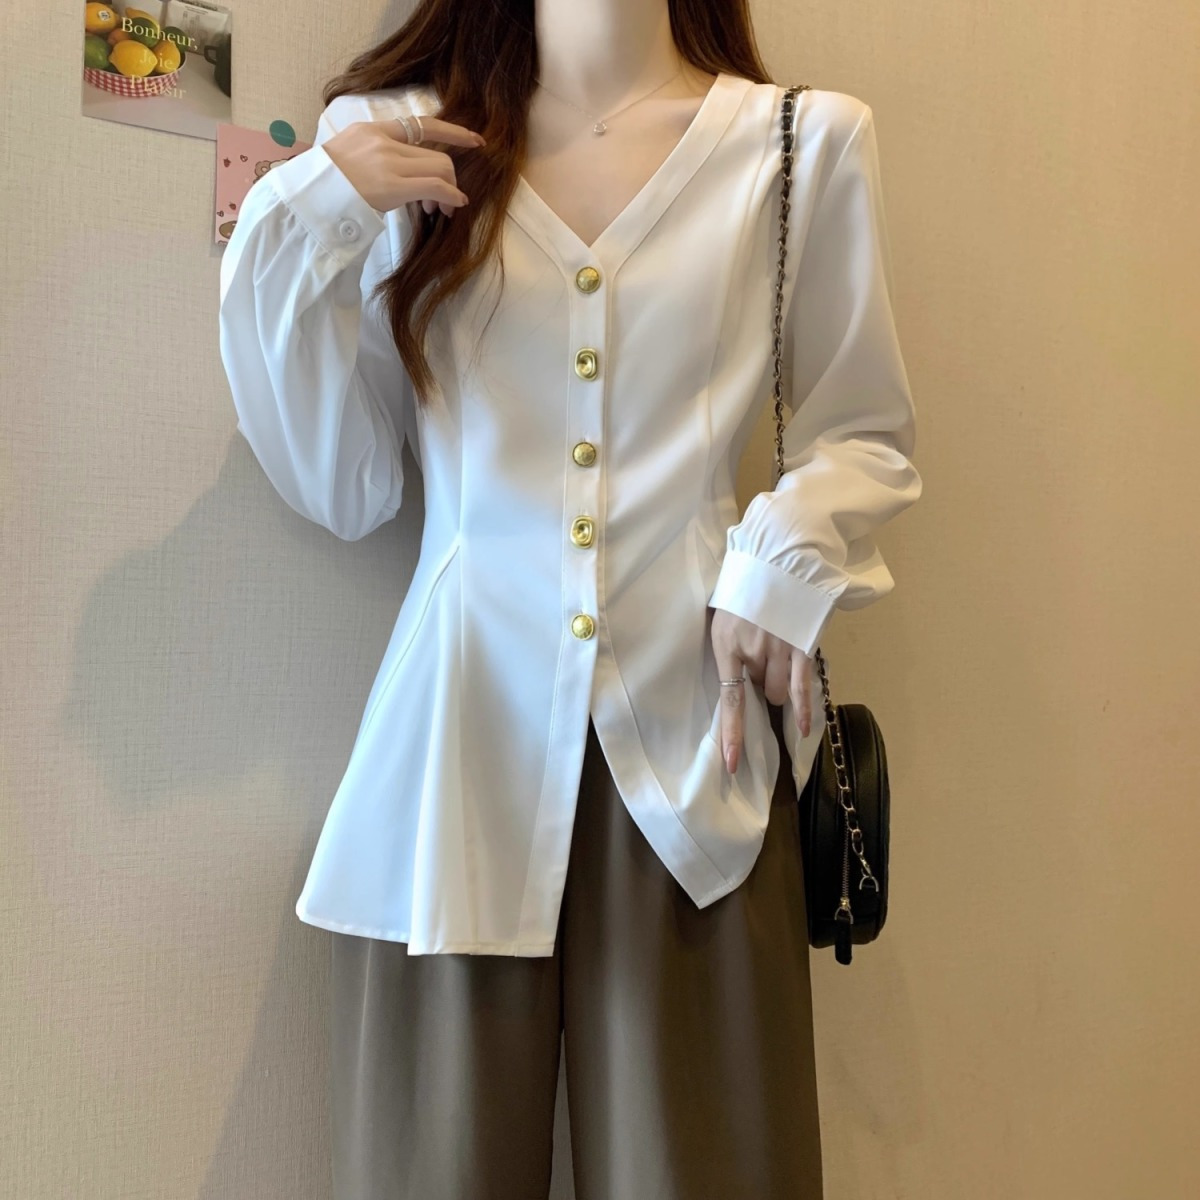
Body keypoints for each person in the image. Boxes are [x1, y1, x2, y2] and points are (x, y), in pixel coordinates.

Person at [218, 0, 922, 1195]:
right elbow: (344, 484)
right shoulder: (397, 137)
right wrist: (314, 211)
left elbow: (864, 433)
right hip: (453, 772)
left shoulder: (800, 145)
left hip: (701, 763)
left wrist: (778, 567)